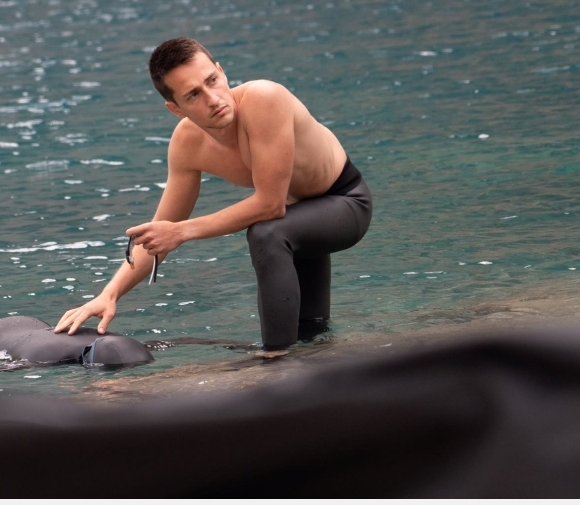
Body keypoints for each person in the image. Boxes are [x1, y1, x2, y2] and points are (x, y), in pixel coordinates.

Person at [54, 37, 372, 353]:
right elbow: (161, 232)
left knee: (266, 233)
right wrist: (109, 294)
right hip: (299, 221)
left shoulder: (265, 99)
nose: (213, 99)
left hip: (345, 202)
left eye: (212, 81)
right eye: (194, 94)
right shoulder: (187, 144)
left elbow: (270, 205)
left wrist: (181, 232)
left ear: (222, 71)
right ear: (176, 109)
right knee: (313, 335)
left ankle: (276, 361)